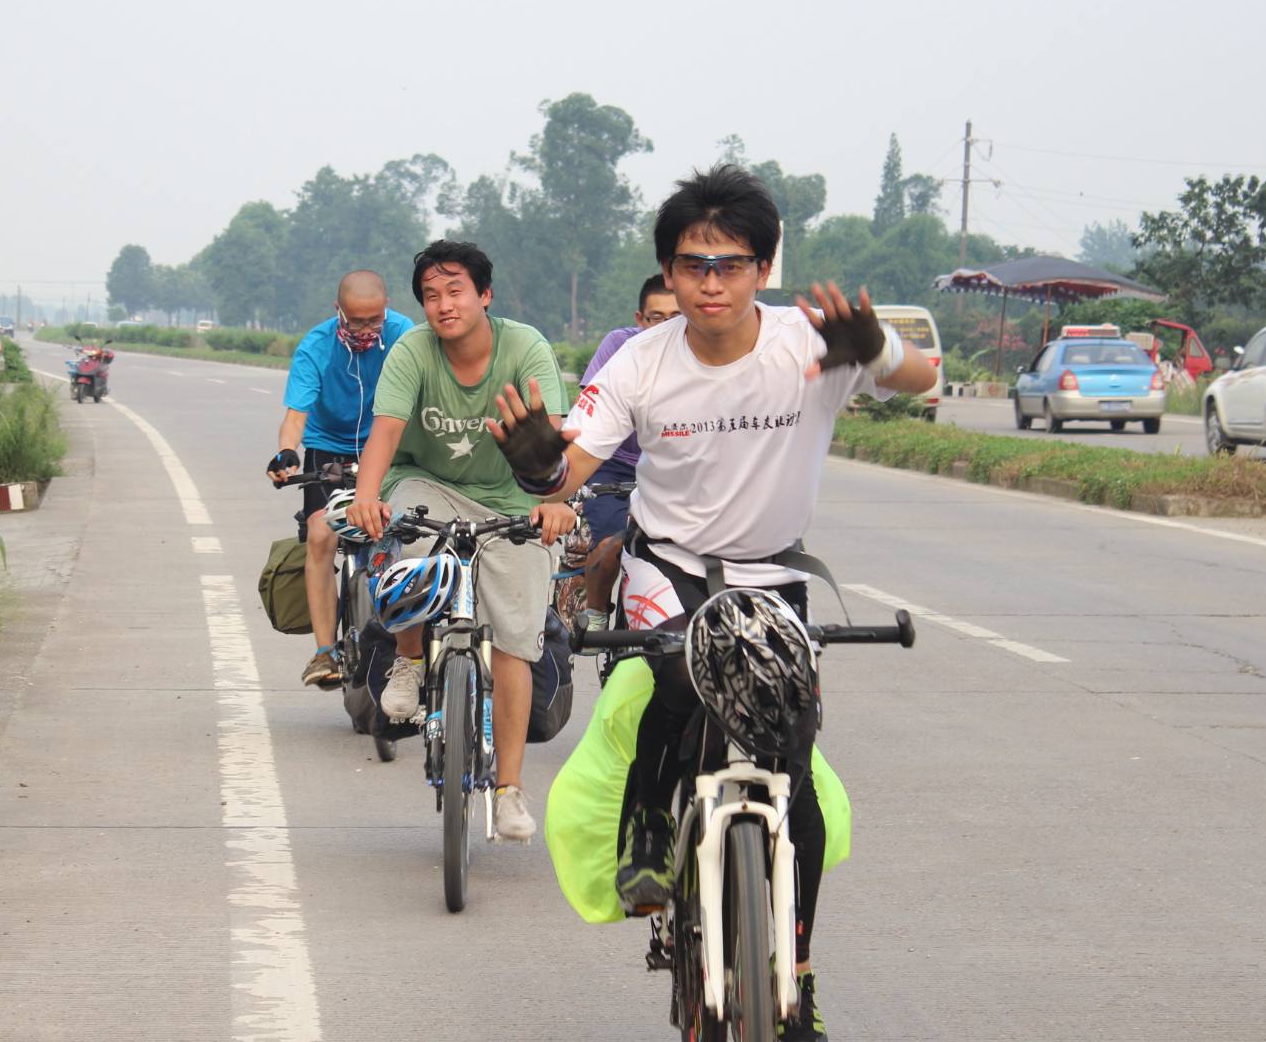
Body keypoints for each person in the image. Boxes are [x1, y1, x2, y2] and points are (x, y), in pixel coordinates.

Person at [487, 164, 935, 1041]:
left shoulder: (812, 344)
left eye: (730, 264)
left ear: (764, 268)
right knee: (679, 676)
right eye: (693, 265)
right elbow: (569, 466)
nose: (711, 283)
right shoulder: (640, 363)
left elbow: (920, 381)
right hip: (671, 566)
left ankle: (795, 971)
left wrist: (877, 347)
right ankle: (649, 844)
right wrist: (538, 465)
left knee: (791, 753)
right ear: (669, 270)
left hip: (774, 572)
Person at [345, 240, 576, 843]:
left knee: (516, 639)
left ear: (485, 296)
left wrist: (555, 502)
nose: (443, 305)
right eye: (430, 295)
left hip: (514, 500)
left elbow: (551, 436)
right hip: (430, 486)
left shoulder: (525, 347)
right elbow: (387, 431)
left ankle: (509, 793)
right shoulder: (413, 351)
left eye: (455, 291)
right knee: (415, 558)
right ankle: (409, 657)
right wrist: (368, 496)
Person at [266, 271, 415, 689]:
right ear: (338, 313)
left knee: (408, 531)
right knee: (319, 535)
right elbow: (295, 416)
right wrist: (287, 453)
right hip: (329, 450)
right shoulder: (316, 346)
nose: (367, 331)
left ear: (387, 309)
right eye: (356, 322)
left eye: (375, 320)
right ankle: (324, 651)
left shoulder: (407, 336)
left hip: (389, 447)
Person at [574, 274, 679, 628]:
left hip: (671, 470)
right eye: (656, 318)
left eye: (676, 317)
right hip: (614, 466)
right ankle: (596, 612)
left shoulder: (704, 352)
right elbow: (590, 408)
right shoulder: (621, 346)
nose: (666, 327)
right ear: (640, 319)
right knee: (611, 544)